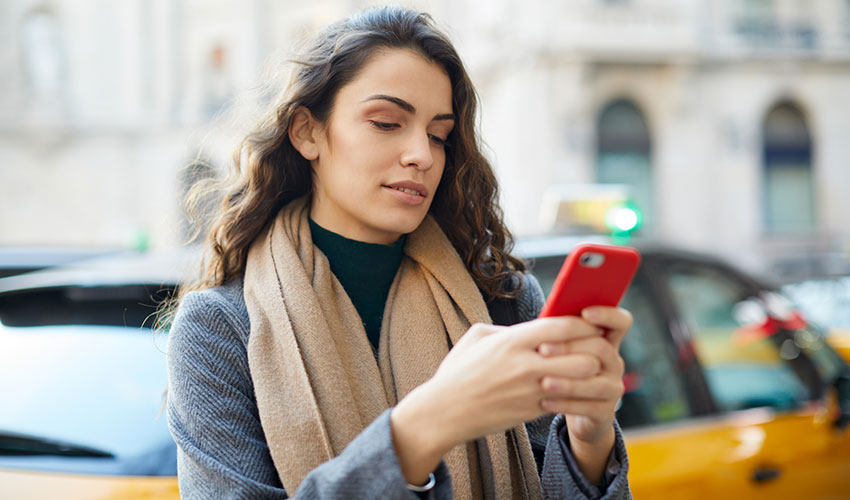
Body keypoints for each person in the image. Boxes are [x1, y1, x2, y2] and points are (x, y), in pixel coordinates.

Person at [166, 6, 633, 499]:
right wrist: (428, 424)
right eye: (387, 123)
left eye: (439, 134)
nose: (423, 155)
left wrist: (588, 440)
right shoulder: (219, 327)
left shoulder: (503, 300)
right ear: (307, 131)